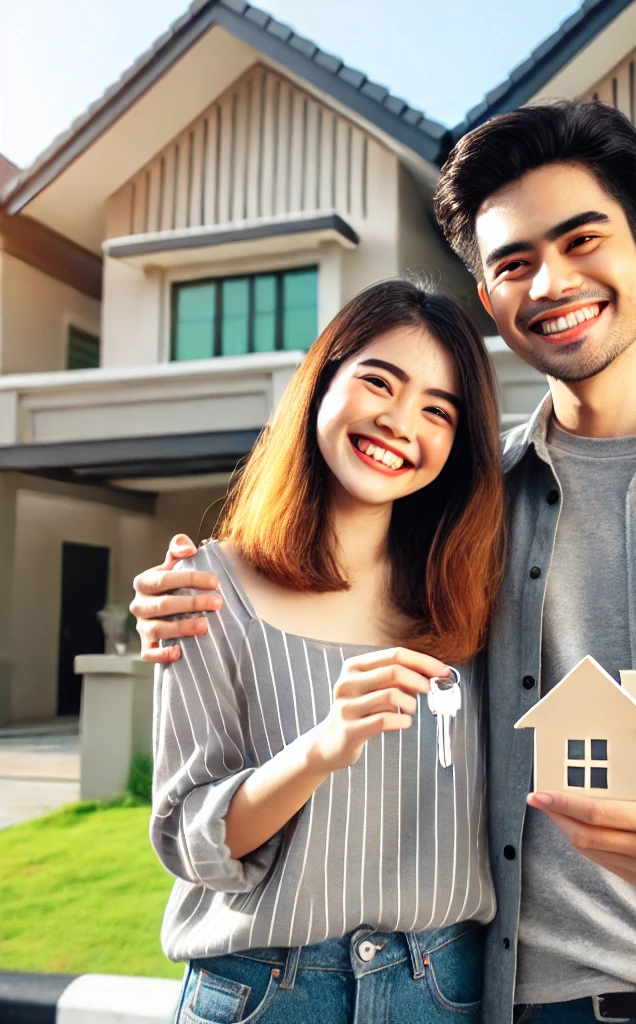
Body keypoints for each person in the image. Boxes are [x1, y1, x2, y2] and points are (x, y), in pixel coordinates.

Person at [134, 102, 636, 1024]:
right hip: (514, 998)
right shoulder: (459, 504)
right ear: (491, 300)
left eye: (582, 240)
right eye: (515, 262)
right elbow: (332, 563)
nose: (552, 282)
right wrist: (201, 592)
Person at [147, 279, 506, 1023]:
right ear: (322, 382)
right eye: (379, 381)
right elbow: (190, 838)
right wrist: (321, 748)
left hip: (443, 989)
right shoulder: (206, 586)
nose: (399, 421)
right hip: (265, 991)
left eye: (438, 410)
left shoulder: (473, 597)